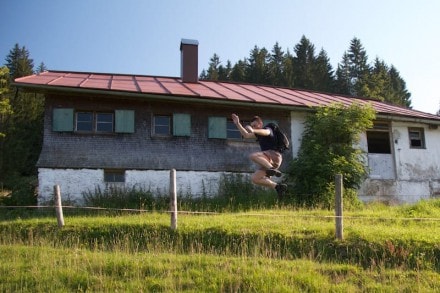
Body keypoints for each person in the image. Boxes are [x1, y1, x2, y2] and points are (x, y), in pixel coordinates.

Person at [231, 113, 288, 199]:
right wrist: (238, 123)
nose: (253, 127)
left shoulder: (268, 129)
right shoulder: (258, 134)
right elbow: (246, 135)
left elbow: (265, 132)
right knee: (255, 178)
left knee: (253, 156)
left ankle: (272, 169)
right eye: (252, 126)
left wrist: (253, 130)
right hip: (269, 161)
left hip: (274, 155)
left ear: (260, 124)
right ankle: (277, 187)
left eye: (254, 125)